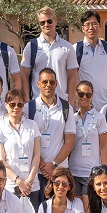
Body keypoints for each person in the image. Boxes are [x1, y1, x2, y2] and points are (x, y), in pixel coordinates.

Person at [24, 68, 76, 200]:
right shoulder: (29, 108)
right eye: (45, 82)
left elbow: (69, 141)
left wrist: (53, 164)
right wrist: (42, 164)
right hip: (35, 171)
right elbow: (26, 140)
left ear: (56, 84)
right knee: (38, 210)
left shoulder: (66, 108)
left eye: (51, 82)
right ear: (38, 84)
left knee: (58, 208)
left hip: (59, 172)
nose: (48, 85)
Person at [69, 81, 107, 213]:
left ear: (92, 96)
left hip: (90, 175)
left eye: (88, 94)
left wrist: (106, 173)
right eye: (81, 94)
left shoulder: (99, 117)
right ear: (76, 95)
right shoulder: (71, 117)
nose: (84, 97)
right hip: (73, 174)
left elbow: (103, 148)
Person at [20, 6, 79, 105]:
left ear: (55, 21)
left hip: (61, 102)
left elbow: (73, 76)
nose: (46, 25)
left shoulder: (67, 47)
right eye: (42, 23)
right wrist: (27, 101)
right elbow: (24, 75)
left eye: (49, 21)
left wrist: (71, 103)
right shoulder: (31, 47)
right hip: (37, 103)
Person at [0, 86, 41, 201]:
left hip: (31, 186)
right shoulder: (0, 129)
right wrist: (19, 182)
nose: (16, 107)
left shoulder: (32, 125)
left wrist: (29, 181)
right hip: (11, 186)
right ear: (6, 105)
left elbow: (37, 155)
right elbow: (1, 161)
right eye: (12, 104)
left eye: (19, 104)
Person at [76, 10, 107, 108]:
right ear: (83, 28)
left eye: (94, 24)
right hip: (83, 106)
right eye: (87, 24)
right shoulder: (76, 49)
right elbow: (72, 78)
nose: (91, 27)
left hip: (104, 104)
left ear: (100, 26)